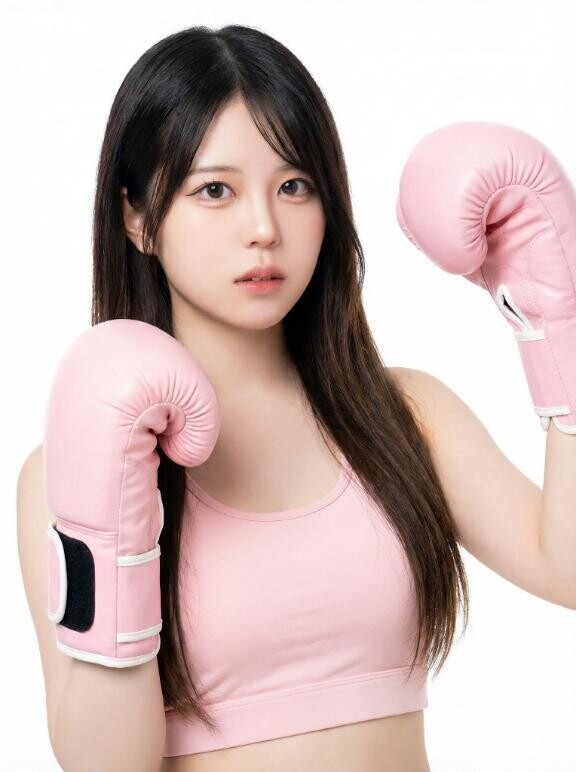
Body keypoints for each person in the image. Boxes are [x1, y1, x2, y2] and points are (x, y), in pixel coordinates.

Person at [19, 23, 574, 772]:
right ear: (138, 218)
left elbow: (567, 569)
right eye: (215, 190)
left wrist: (561, 325)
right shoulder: (68, 468)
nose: (264, 228)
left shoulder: (406, 416)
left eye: (294, 186)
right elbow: (107, 765)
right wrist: (110, 525)